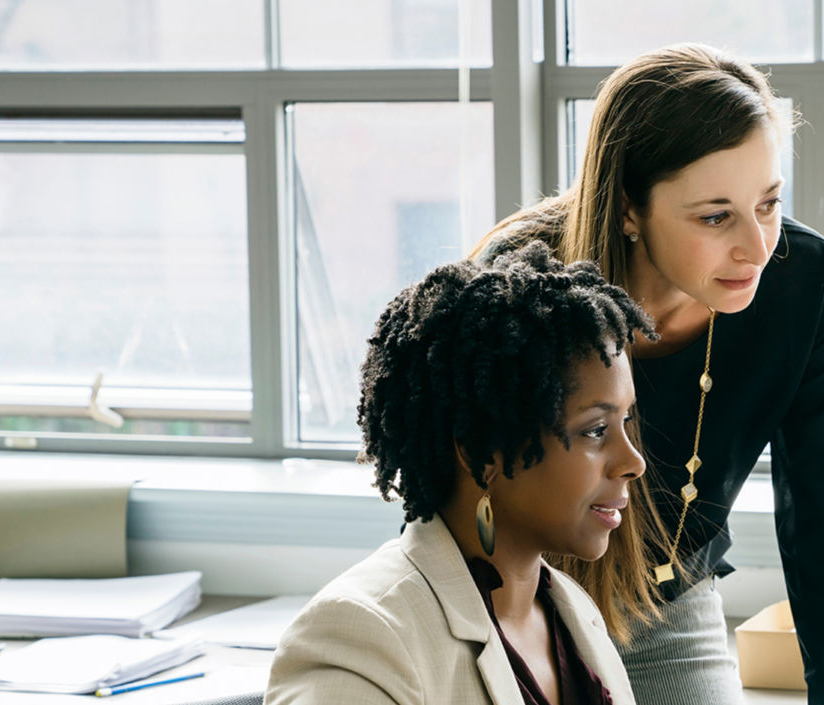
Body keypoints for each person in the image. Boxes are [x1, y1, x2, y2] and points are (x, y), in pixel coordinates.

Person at [473, 44, 824, 705]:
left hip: (664, 604)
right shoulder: (525, 285)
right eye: (715, 216)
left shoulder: (803, 287)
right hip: (509, 599)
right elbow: (471, 504)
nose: (756, 247)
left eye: (769, 204)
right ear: (631, 209)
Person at [265, 242, 666, 705]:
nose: (633, 462)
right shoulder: (361, 637)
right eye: (595, 430)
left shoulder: (575, 615)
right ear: (481, 454)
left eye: (626, 421)